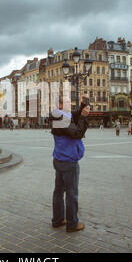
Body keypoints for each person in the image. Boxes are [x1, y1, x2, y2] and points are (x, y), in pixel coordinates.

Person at [50, 96, 90, 233]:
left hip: (59, 159)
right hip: (69, 161)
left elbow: (74, 114)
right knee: (72, 193)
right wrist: (84, 118)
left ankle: (58, 219)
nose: (70, 104)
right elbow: (78, 133)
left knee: (58, 192)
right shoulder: (63, 119)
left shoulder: (59, 116)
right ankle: (72, 224)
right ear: (60, 105)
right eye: (67, 102)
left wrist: (83, 105)